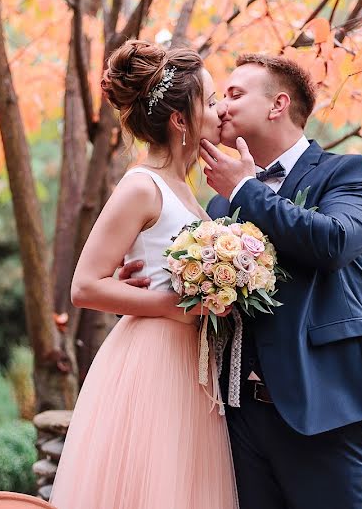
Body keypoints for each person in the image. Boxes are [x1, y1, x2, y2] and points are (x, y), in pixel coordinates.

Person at [197, 53, 362, 509]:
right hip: (236, 418)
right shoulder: (217, 207)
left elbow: (333, 243)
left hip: (323, 411)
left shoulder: (351, 173)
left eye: (234, 94)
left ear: (277, 105)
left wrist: (245, 190)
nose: (221, 108)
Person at [49, 40, 238, 509]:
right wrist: (172, 306)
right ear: (181, 120)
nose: (219, 114)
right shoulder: (141, 185)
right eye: (210, 103)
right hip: (153, 362)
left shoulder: (189, 191)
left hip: (193, 367)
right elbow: (84, 286)